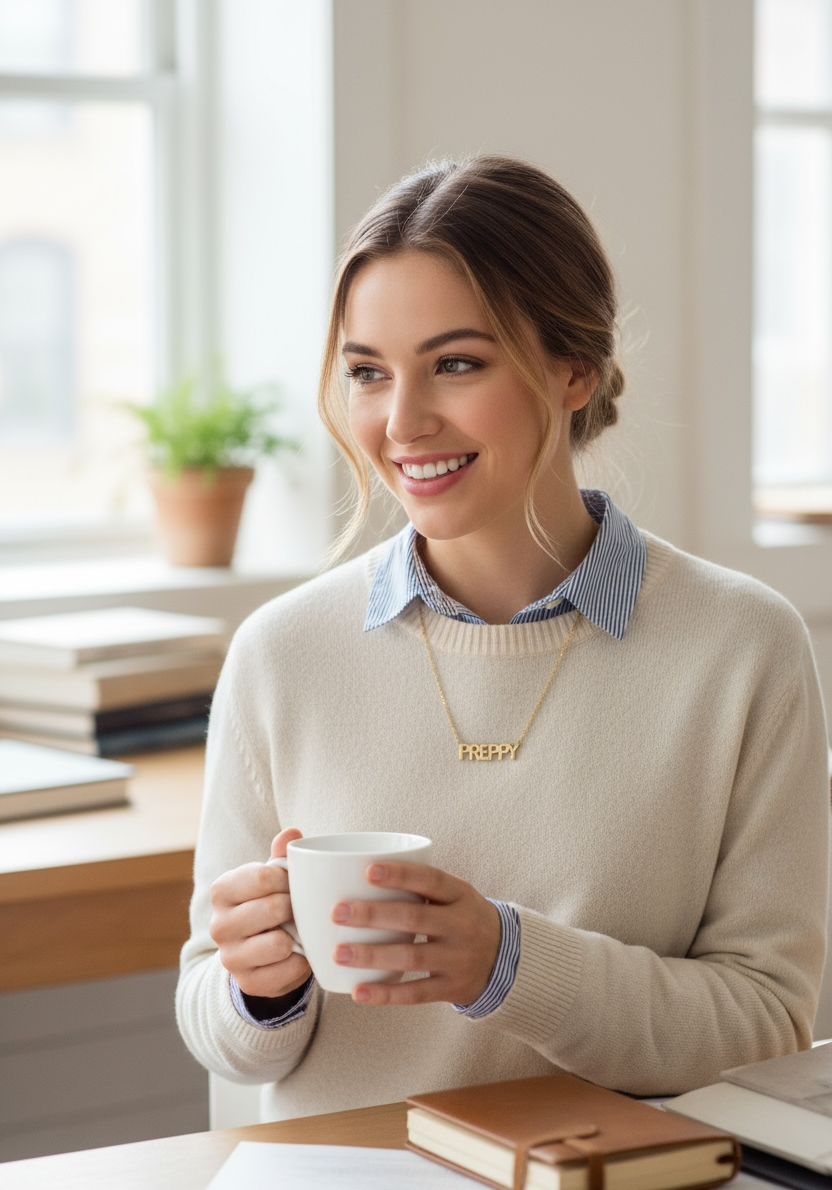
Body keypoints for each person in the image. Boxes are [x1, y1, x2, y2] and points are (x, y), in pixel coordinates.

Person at [176, 155, 829, 1121]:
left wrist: (507, 963)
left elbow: (766, 1021)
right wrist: (256, 985)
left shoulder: (742, 649)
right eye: (367, 373)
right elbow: (220, 1029)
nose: (401, 422)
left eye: (456, 363)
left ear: (576, 370)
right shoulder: (282, 655)